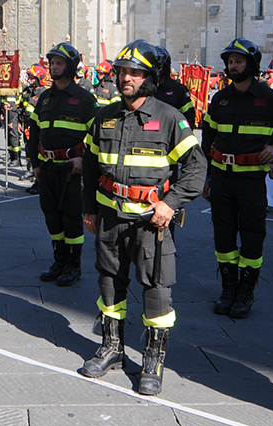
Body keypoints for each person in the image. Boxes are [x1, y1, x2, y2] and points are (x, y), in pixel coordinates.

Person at [77, 40, 206, 395]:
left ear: (150, 78)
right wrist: (89, 208)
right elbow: (89, 166)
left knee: (156, 292)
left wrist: (171, 202)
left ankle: (153, 358)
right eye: (122, 72)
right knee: (109, 283)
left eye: (135, 73)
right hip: (109, 218)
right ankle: (111, 347)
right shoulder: (103, 116)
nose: (126, 78)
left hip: (152, 224)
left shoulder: (169, 118)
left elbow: (196, 169)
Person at [202, 38, 273, 319]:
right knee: (222, 236)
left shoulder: (269, 97)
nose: (233, 66)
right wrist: (207, 177)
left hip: (251, 182)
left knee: (252, 236)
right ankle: (228, 289)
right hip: (221, 178)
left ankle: (246, 292)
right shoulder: (219, 99)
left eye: (239, 61)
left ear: (252, 64)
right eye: (230, 62)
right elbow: (209, 139)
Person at [27, 42, 98, 288]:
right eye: (52, 63)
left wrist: (83, 159)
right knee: (52, 216)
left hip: (72, 171)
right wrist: (35, 164)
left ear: (71, 66)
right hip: (47, 169)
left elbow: (97, 136)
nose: (54, 67)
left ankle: (73, 265)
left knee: (71, 218)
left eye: (59, 63)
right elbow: (33, 132)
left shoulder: (85, 99)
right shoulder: (44, 98)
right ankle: (58, 260)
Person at [150, 45, 196, 127]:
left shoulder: (178, 90)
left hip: (170, 136)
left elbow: (188, 119)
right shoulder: (145, 88)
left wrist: (179, 134)